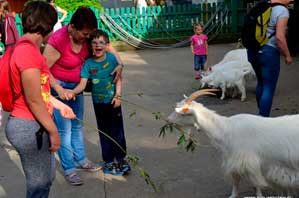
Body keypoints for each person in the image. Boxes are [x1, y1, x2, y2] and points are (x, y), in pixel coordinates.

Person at [43, 7, 123, 185]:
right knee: (64, 130)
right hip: (60, 87)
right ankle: (69, 168)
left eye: (90, 34)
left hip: (77, 87)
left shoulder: (88, 37)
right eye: (84, 34)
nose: (87, 38)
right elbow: (44, 68)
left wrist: (120, 64)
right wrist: (58, 89)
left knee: (77, 124)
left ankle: (81, 160)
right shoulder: (58, 40)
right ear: (72, 27)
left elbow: (108, 47)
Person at [5, 1, 76, 197]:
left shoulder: (31, 48)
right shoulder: (27, 51)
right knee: (38, 185)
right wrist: (54, 132)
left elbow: (40, 89)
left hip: (36, 122)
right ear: (48, 27)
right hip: (28, 126)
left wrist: (59, 104)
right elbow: (34, 99)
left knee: (47, 177)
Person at [72, 30, 131, 176]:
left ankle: (121, 158)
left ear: (107, 45)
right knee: (104, 132)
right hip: (99, 104)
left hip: (113, 102)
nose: (97, 45)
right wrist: (72, 92)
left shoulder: (112, 59)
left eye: (101, 42)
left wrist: (118, 96)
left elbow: (119, 78)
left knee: (117, 131)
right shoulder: (88, 64)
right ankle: (109, 161)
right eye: (94, 42)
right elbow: (82, 84)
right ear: (90, 46)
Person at [247, 0, 293, 117]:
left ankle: (260, 114)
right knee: (268, 86)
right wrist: (287, 55)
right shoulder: (282, 10)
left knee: (261, 82)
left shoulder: (261, 5)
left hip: (252, 50)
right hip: (268, 52)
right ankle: (263, 119)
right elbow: (279, 37)